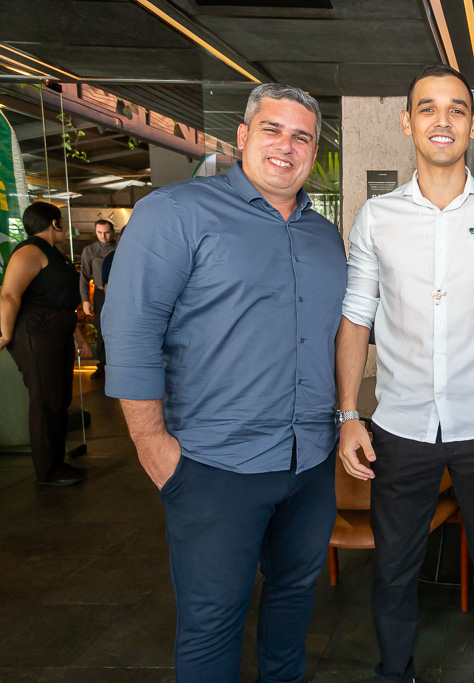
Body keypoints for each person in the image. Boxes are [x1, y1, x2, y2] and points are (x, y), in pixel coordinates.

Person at [102, 83, 347, 683]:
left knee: (294, 601)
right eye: (272, 129)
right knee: (212, 622)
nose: (286, 146)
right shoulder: (176, 213)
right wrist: (153, 447)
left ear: (314, 152)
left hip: (309, 462)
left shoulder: (325, 237)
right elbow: (131, 333)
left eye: (302, 137)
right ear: (242, 136)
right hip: (214, 467)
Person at [336, 64, 474, 683]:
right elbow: (356, 317)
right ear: (407, 122)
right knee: (393, 571)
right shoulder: (377, 217)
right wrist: (348, 415)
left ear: (473, 125)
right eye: (427, 108)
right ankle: (393, 673)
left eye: (457, 108)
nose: (442, 120)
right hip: (400, 428)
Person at [0, 201, 89, 486]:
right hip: (37, 333)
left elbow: (60, 299)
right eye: (61, 221)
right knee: (46, 402)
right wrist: (4, 335)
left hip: (55, 330)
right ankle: (48, 472)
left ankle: (56, 464)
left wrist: (76, 334)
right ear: (54, 223)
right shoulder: (30, 251)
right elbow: (9, 295)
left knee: (58, 400)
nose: (64, 227)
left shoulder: (52, 253)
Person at [79, 218, 115, 379]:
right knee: (101, 329)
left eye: (106, 232)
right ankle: (102, 364)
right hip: (100, 293)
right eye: (99, 232)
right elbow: (84, 276)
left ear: (112, 232)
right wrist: (85, 300)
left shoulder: (120, 247)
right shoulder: (90, 250)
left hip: (119, 292)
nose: (103, 236)